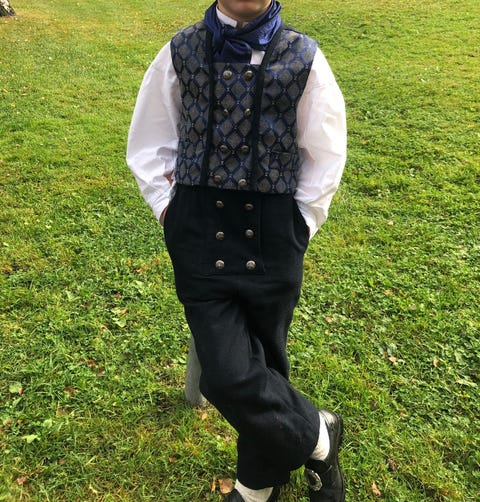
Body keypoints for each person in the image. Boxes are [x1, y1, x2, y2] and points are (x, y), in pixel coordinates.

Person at [126, 0, 347, 500]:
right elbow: (150, 140)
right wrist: (170, 212)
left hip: (273, 236)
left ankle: (254, 491)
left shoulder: (304, 57)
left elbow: (324, 151)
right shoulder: (180, 50)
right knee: (225, 376)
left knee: (266, 363)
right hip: (200, 234)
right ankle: (319, 433)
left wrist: (299, 224)